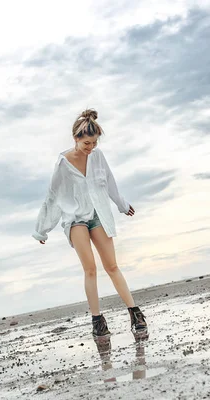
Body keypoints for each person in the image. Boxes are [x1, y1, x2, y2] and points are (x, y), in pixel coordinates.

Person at [32, 108, 148, 338]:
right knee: (90, 269)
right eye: (86, 143)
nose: (90, 148)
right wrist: (42, 229)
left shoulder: (98, 156)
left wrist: (122, 204)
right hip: (76, 218)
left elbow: (110, 182)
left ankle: (135, 314)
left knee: (112, 266)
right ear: (76, 138)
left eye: (94, 143)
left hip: (98, 215)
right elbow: (53, 196)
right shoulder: (63, 163)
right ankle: (98, 322)